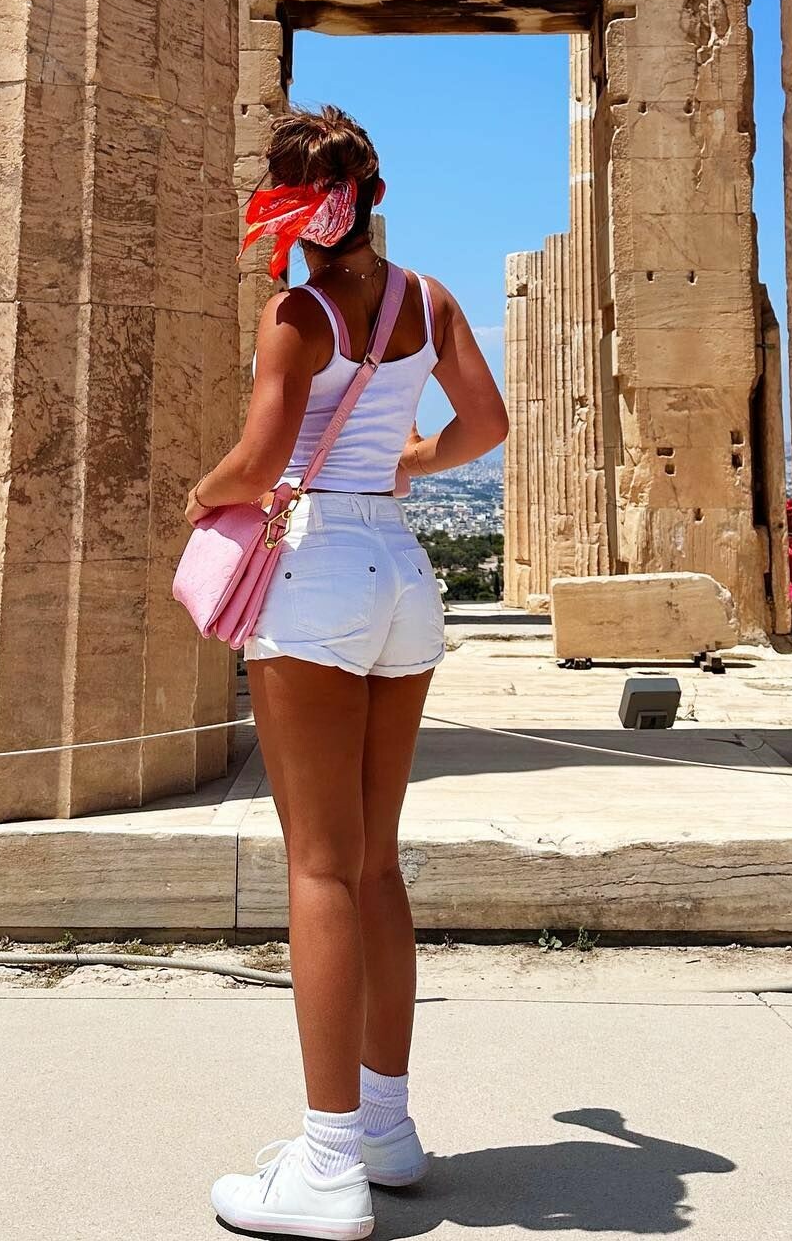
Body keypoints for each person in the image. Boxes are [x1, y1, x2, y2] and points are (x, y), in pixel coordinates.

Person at [186, 106, 508, 1240]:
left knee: (317, 868)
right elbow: (486, 422)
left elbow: (261, 460)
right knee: (374, 864)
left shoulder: (298, 312)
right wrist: (414, 456)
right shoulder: (428, 298)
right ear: (374, 197)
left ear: (289, 205)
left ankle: (326, 1167)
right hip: (402, 573)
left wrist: (201, 495)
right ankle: (385, 1129)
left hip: (318, 567)